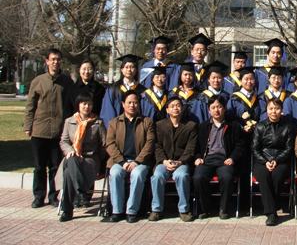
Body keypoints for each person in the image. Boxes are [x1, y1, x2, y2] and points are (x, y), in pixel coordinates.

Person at [24, 47, 74, 208]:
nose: (55, 62)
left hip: (58, 131)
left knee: (55, 167)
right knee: (39, 167)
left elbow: (72, 106)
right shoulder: (38, 81)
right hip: (40, 130)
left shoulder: (66, 82)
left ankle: (53, 196)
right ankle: (38, 196)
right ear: (47, 61)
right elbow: (30, 105)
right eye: (53, 59)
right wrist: (28, 125)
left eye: (58, 59)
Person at [103, 90, 155, 223]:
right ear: (123, 104)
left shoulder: (146, 122)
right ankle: (117, 211)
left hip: (140, 162)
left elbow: (149, 144)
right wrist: (122, 162)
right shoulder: (114, 122)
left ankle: (132, 211)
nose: (132, 105)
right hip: (119, 161)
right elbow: (110, 144)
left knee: (137, 175)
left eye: (135, 102)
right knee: (115, 174)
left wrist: (137, 161)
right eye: (129, 102)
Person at [193, 96, 246, 219]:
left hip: (225, 160)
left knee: (227, 177)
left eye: (219, 107)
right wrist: (198, 157)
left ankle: (224, 209)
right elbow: (196, 146)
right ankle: (205, 209)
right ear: (209, 110)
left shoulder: (233, 126)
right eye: (213, 107)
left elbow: (240, 146)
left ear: (224, 108)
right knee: (198, 178)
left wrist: (232, 158)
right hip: (207, 160)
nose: (216, 110)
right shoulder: (203, 127)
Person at [58, 92, 107, 221]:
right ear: (78, 105)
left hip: (90, 159)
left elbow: (104, 144)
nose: (87, 107)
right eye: (84, 104)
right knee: (72, 160)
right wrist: (70, 150)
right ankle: (80, 191)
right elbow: (63, 141)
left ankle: (67, 211)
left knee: (68, 173)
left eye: (89, 104)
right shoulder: (69, 121)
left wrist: (99, 157)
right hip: (72, 156)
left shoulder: (98, 123)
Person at [148, 96, 197, 222]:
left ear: (182, 108)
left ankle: (184, 210)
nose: (176, 108)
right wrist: (164, 161)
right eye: (172, 106)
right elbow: (157, 146)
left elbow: (190, 148)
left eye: (178, 105)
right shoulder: (159, 125)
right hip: (164, 162)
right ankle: (156, 210)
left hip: (181, 162)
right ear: (167, 110)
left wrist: (180, 161)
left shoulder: (190, 126)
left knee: (182, 176)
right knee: (157, 176)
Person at [252, 98, 295, 226]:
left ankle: (271, 208)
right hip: (262, 160)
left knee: (277, 176)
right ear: (266, 110)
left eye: (277, 108)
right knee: (264, 176)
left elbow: (289, 148)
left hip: (281, 160)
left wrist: (276, 160)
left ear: (281, 110)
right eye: (271, 108)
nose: (274, 111)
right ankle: (271, 213)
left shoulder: (287, 127)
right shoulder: (260, 126)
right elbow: (255, 148)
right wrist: (265, 161)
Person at [100, 54, 143, 126]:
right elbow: (108, 111)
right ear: (122, 70)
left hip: (137, 127)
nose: (129, 70)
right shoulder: (113, 89)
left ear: (136, 70)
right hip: (117, 128)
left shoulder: (142, 90)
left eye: (132, 67)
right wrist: (113, 128)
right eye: (126, 67)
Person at [227, 66, 261, 133]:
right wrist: (242, 127)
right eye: (246, 79)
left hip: (256, 134)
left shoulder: (258, 98)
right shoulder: (234, 98)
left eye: (251, 79)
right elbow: (229, 118)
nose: (249, 81)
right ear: (240, 81)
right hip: (238, 134)